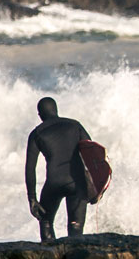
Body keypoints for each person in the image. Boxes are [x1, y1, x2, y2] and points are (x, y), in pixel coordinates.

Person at [24, 97, 91, 243]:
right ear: (56, 110)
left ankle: (51, 255)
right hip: (77, 183)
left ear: (40, 115)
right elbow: (92, 154)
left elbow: (30, 168)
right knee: (76, 229)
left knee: (46, 221)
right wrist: (96, 186)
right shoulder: (75, 125)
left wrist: (32, 198)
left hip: (54, 184)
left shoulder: (37, 133)